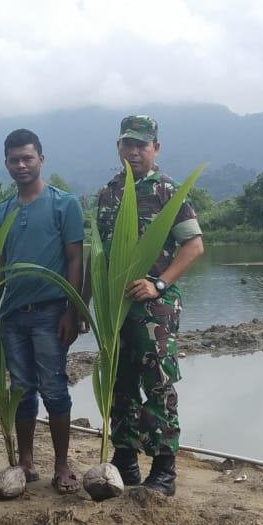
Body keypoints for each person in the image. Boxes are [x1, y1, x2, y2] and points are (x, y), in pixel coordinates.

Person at [94, 115, 205, 497]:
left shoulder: (167, 191)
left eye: (142, 144)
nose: (134, 151)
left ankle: (163, 470)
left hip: (154, 310)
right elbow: (100, 254)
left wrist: (159, 283)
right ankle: (125, 461)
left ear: (156, 148)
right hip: (115, 309)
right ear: (118, 147)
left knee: (157, 384)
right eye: (128, 143)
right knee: (119, 384)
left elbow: (194, 246)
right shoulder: (108, 193)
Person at [0, 128, 85, 494]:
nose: (21, 165)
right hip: (14, 315)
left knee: (55, 388)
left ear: (41, 160)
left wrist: (73, 311)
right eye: (14, 159)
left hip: (50, 313)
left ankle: (62, 465)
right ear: (7, 164)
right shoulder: (2, 212)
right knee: (21, 389)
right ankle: (26, 461)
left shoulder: (65, 204)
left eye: (28, 158)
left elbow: (76, 260)